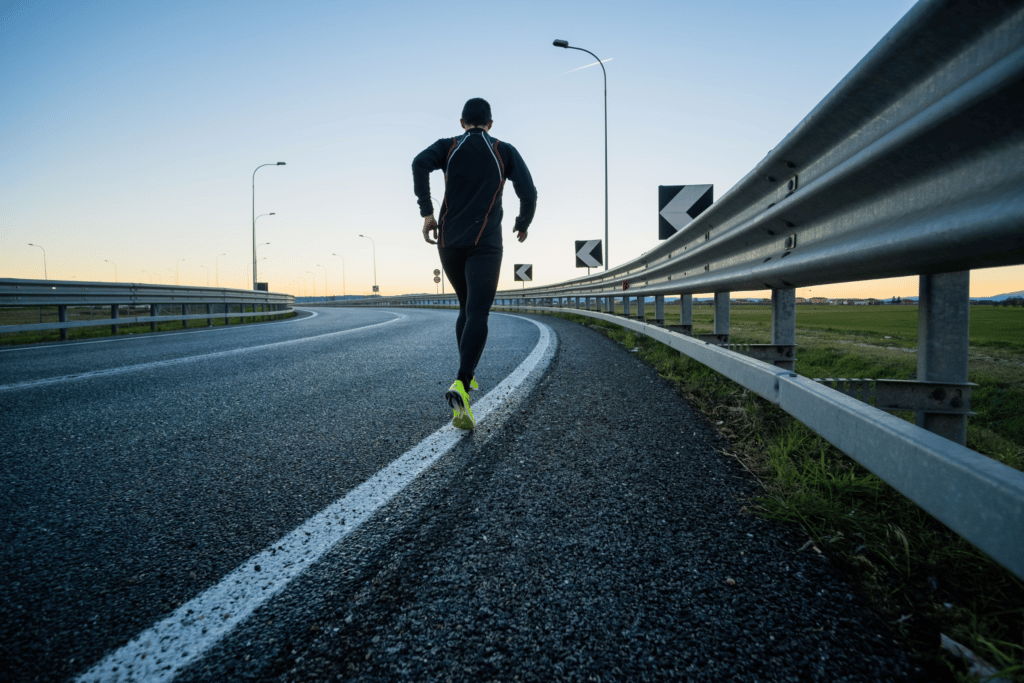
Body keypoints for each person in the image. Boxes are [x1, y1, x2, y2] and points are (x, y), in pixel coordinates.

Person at [412, 97, 537, 430]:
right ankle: (463, 384)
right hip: (485, 244)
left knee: (466, 308)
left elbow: (418, 163)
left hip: (449, 243)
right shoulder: (502, 150)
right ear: (490, 123)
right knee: (479, 311)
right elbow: (529, 191)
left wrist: (427, 211)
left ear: (462, 121)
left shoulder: (449, 146)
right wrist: (523, 222)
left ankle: (465, 377)